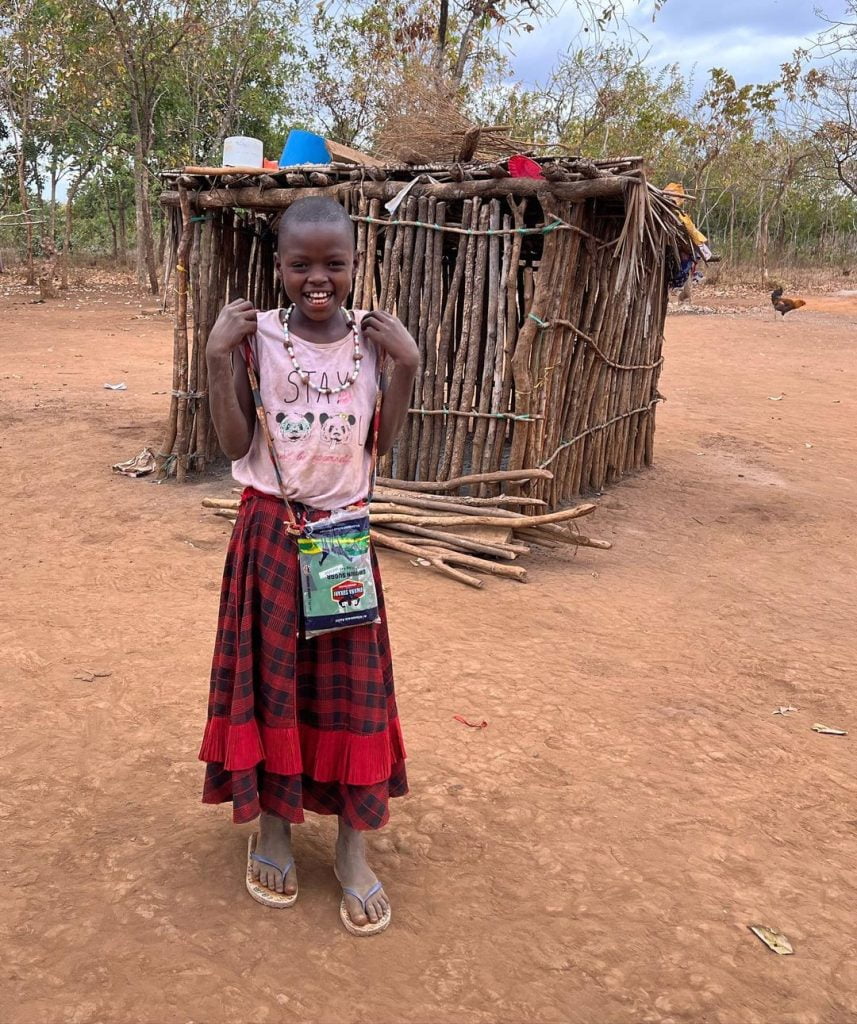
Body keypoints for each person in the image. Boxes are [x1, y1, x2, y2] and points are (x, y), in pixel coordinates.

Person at [198, 196, 418, 936]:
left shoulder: (371, 339)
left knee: (353, 693)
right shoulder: (254, 334)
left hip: (343, 538)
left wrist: (407, 365)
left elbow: (382, 443)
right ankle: (273, 832)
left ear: (357, 264)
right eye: (301, 265)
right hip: (269, 531)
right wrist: (215, 355)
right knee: (273, 687)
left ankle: (353, 851)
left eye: (334, 264)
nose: (317, 278)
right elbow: (233, 445)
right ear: (279, 266)